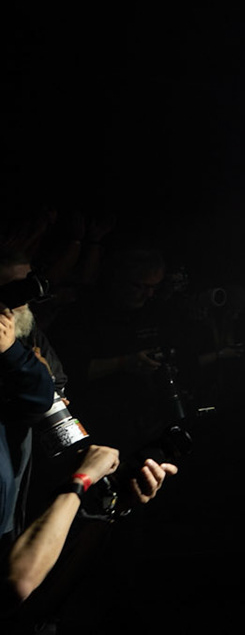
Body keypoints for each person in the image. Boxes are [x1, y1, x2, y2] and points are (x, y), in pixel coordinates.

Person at [0, 258, 173, 609]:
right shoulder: (24, 343)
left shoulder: (25, 334)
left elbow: (54, 407)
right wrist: (82, 479)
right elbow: (17, 581)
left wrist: (109, 484)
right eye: (10, 291)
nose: (21, 301)